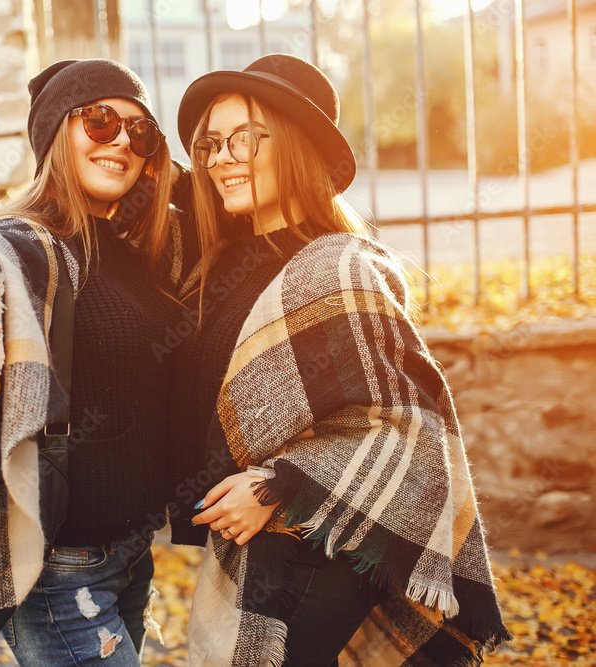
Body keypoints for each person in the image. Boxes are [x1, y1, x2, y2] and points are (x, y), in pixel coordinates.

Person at [166, 54, 511, 665]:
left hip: (318, 547)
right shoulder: (224, 260)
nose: (220, 158)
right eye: (211, 143)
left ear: (296, 147)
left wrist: (278, 484)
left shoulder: (338, 267)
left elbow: (408, 431)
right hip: (262, 546)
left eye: (244, 138)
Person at [0, 59, 185, 666]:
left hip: (129, 552)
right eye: (99, 121)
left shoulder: (140, 246)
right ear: (54, 136)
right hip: (60, 569)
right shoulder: (25, 244)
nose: (122, 138)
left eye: (140, 129)